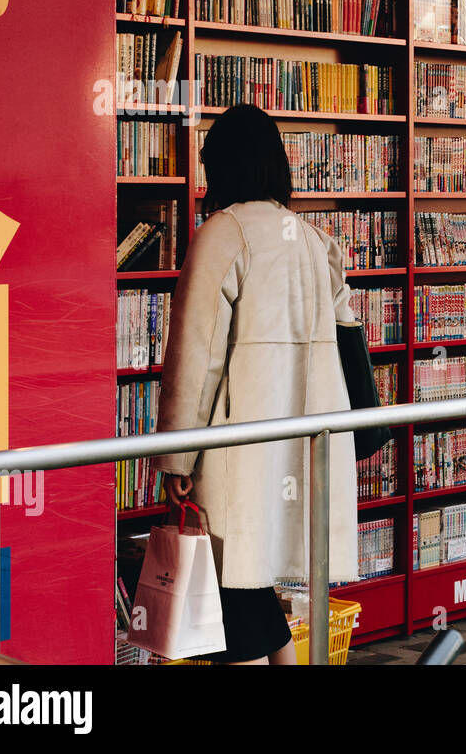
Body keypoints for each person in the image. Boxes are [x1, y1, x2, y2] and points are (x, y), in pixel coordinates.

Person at [152, 104, 360, 665]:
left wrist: (175, 460)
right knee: (254, 592)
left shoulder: (222, 235)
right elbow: (345, 336)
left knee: (233, 604)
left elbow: (196, 361)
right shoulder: (313, 240)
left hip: (238, 452)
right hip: (302, 451)